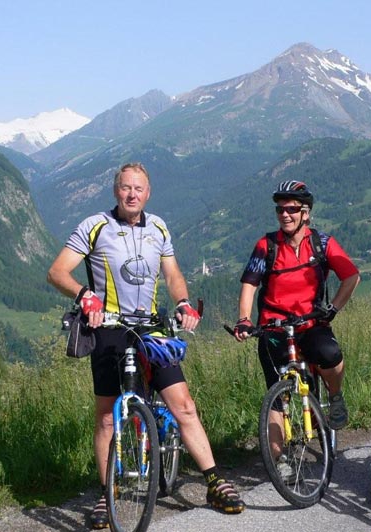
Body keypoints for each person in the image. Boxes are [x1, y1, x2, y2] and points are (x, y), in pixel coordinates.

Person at [47, 162, 245, 529]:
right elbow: (57, 272)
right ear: (116, 191)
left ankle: (215, 481)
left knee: (184, 405)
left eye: (138, 188)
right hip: (108, 329)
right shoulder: (95, 226)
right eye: (125, 187)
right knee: (106, 416)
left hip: (151, 329)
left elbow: (172, 273)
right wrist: (85, 296)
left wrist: (183, 302)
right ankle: (108, 494)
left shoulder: (158, 227)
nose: (132, 194)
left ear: (148, 193)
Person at [233, 180, 361, 442]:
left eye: (291, 209)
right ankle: (277, 459)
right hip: (274, 326)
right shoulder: (267, 245)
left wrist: (333, 308)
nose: (285, 215)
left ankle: (335, 396)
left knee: (331, 355)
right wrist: (244, 319)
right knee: (276, 395)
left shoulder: (321, 243)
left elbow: (351, 276)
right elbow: (250, 285)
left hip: (311, 323)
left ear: (305, 213)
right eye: (280, 209)